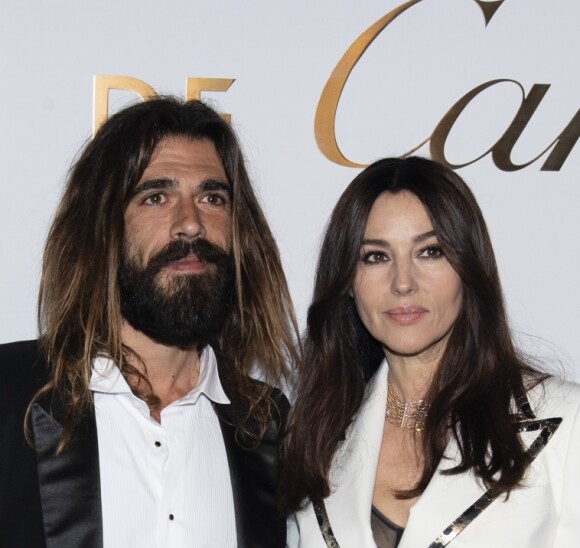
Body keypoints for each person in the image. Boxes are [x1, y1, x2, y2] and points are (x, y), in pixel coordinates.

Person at [0, 97, 299, 548]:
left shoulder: (269, 428)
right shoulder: (10, 393)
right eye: (156, 196)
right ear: (103, 227)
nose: (191, 224)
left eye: (212, 197)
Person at [281, 157, 580, 548]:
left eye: (430, 252)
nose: (402, 282)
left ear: (467, 267)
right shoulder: (315, 436)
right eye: (376, 256)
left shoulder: (567, 423)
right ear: (348, 281)